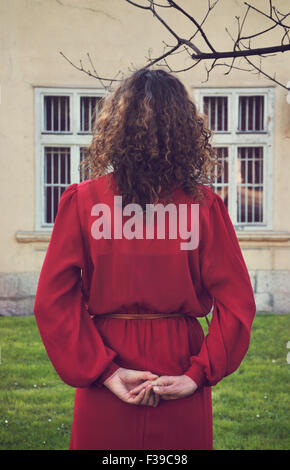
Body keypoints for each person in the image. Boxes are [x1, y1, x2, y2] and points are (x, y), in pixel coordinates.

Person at [33, 68, 256, 450]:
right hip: (178, 357)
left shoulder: (84, 201)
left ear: (116, 128)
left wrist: (103, 371)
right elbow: (238, 304)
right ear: (185, 130)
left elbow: (53, 300)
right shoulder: (203, 206)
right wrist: (197, 373)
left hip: (107, 351)